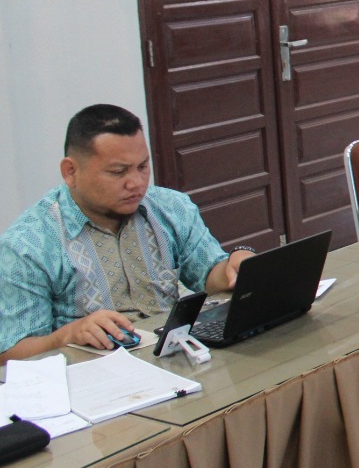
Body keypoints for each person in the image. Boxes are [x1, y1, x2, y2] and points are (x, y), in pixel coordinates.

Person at [0, 105, 253, 361]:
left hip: (177, 355)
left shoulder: (170, 208)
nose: (136, 183)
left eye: (142, 167)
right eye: (118, 172)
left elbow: (209, 274)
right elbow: (9, 353)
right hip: (96, 378)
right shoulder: (27, 245)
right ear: (71, 171)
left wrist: (235, 266)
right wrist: (66, 336)